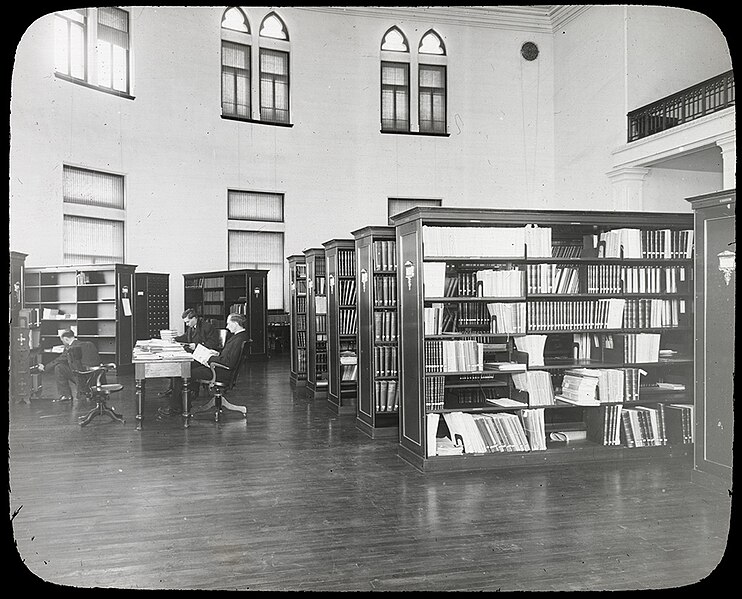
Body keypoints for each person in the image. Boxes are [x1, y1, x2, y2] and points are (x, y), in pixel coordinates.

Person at [157, 313, 250, 417]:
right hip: (220, 367)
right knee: (189, 369)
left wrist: (209, 358)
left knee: (184, 374)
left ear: (236, 323)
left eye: (229, 324)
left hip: (219, 371)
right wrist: (217, 354)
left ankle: (176, 408)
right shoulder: (239, 337)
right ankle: (185, 404)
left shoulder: (238, 339)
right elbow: (228, 357)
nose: (227, 327)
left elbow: (229, 362)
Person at [159, 308, 221, 397]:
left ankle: (184, 393)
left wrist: (196, 345)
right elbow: (185, 337)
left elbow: (213, 343)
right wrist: (175, 339)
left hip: (202, 358)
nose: (187, 324)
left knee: (182, 368)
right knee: (177, 364)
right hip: (193, 355)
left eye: (188, 322)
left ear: (194, 318)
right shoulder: (191, 327)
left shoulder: (207, 327)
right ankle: (173, 390)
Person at [37, 329, 101, 402]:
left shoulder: (71, 349)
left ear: (66, 339)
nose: (63, 343)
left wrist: (44, 368)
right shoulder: (89, 344)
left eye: (62, 341)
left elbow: (59, 360)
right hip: (95, 377)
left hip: (82, 377)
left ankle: (66, 395)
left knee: (59, 367)